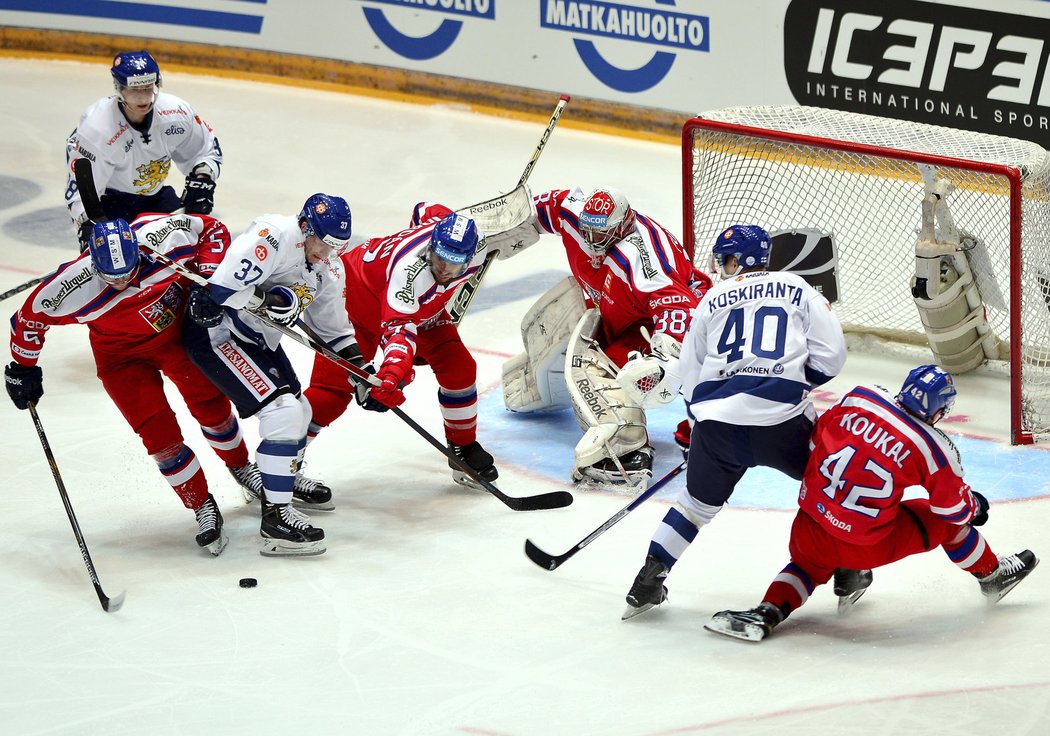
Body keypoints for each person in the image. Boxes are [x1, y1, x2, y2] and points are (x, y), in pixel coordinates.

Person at [704, 365, 1040, 642]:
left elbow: (819, 436)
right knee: (948, 524)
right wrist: (976, 506)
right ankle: (992, 575)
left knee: (806, 566)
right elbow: (952, 509)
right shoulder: (935, 447)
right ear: (939, 409)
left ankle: (767, 612)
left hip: (809, 528)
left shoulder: (861, 396)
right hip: (866, 545)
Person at [622, 224, 848, 620]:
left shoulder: (710, 299)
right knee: (829, 490)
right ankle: (849, 569)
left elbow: (691, 378)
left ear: (732, 261)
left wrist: (699, 425)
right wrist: (791, 380)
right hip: (784, 423)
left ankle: (649, 578)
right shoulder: (797, 287)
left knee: (694, 507)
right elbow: (833, 357)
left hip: (719, 426)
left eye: (723, 259)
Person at [4, 215, 260, 556]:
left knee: (211, 405)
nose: (123, 281)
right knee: (160, 436)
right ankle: (201, 505)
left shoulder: (163, 236)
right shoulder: (71, 284)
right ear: (92, 262)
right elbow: (28, 319)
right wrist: (23, 368)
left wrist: (206, 278)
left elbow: (212, 229)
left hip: (179, 339)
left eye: (128, 271)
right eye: (112, 276)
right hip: (122, 360)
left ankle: (242, 467)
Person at [182, 193, 359, 557]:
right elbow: (223, 290)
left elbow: (335, 332)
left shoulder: (327, 267)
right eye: (323, 243)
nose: (326, 253)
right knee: (284, 413)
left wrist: (364, 372)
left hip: (258, 339)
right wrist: (220, 297)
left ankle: (279, 481)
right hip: (219, 334)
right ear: (306, 226)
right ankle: (277, 519)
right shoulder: (274, 235)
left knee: (302, 411)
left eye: (336, 247)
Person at [502, 186, 711, 488]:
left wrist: (667, 351)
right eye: (587, 231)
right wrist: (497, 230)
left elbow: (678, 306)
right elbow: (537, 210)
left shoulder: (642, 261)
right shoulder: (577, 214)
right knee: (566, 307)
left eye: (600, 235)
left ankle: (626, 450)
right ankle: (541, 382)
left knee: (595, 364)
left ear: (622, 227)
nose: (590, 241)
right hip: (621, 308)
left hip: (655, 321)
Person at [304, 203, 499, 487]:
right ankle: (280, 465)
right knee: (330, 393)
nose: (444, 270)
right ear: (431, 247)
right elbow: (399, 333)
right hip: (353, 306)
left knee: (460, 368)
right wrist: (393, 375)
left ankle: (462, 450)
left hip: (421, 312)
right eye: (438, 260)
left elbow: (425, 209)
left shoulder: (476, 242)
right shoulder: (409, 274)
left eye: (454, 264)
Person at [65, 50, 222, 250]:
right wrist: (88, 222)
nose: (143, 98)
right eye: (135, 90)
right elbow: (83, 187)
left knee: (191, 244)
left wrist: (202, 180)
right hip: (112, 202)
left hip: (156, 196)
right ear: (119, 88)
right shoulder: (98, 127)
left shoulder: (176, 113)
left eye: (148, 88)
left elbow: (204, 150)